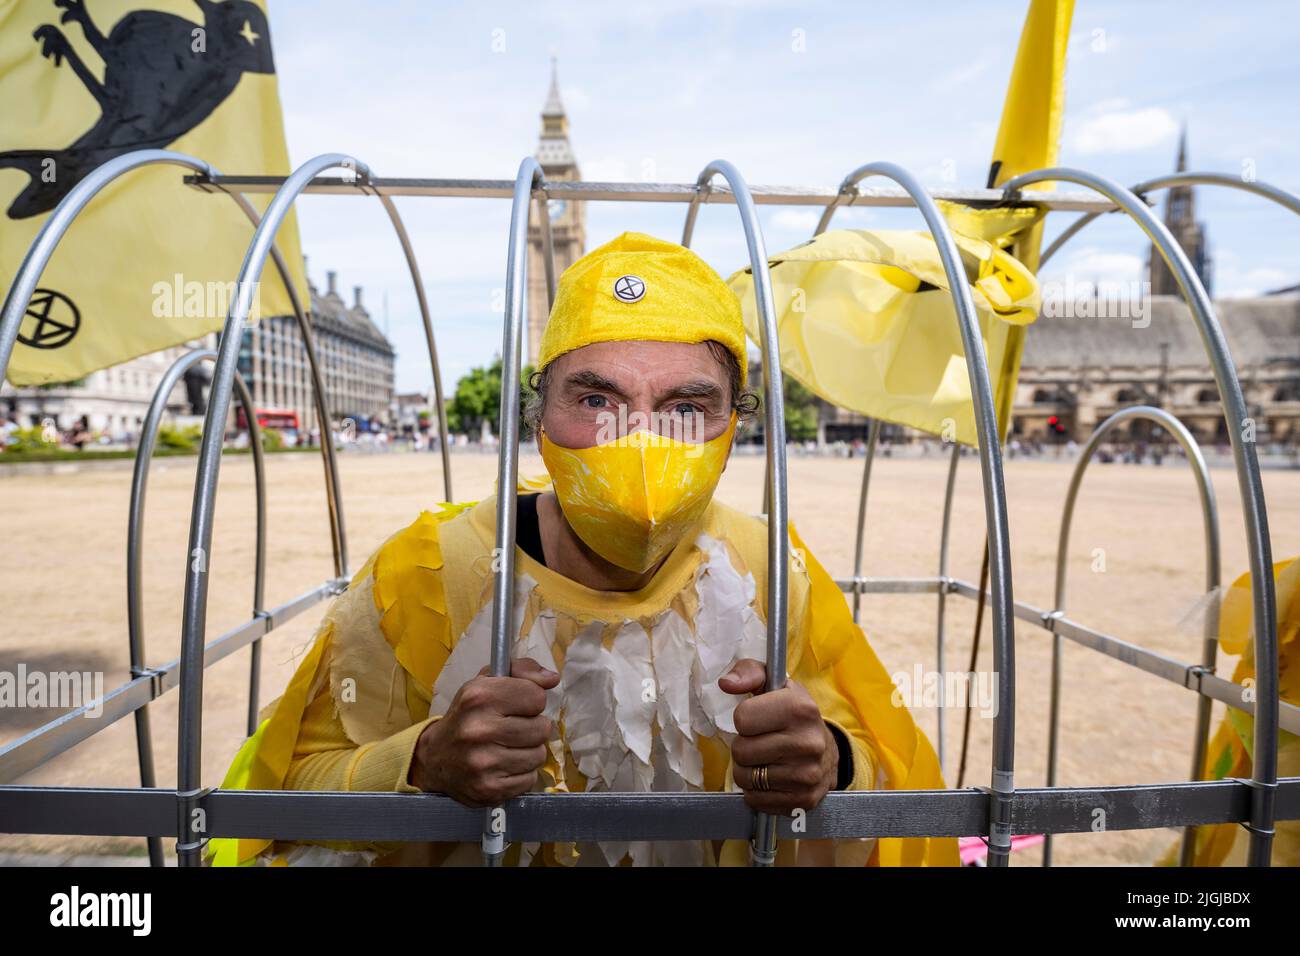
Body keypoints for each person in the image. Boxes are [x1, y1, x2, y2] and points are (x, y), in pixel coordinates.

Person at [208, 231, 956, 867]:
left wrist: (831, 759)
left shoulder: (768, 569)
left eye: (687, 408)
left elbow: (887, 766)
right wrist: (422, 761)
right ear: (538, 415)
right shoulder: (427, 574)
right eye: (595, 400)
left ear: (736, 431)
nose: (635, 439)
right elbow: (285, 797)